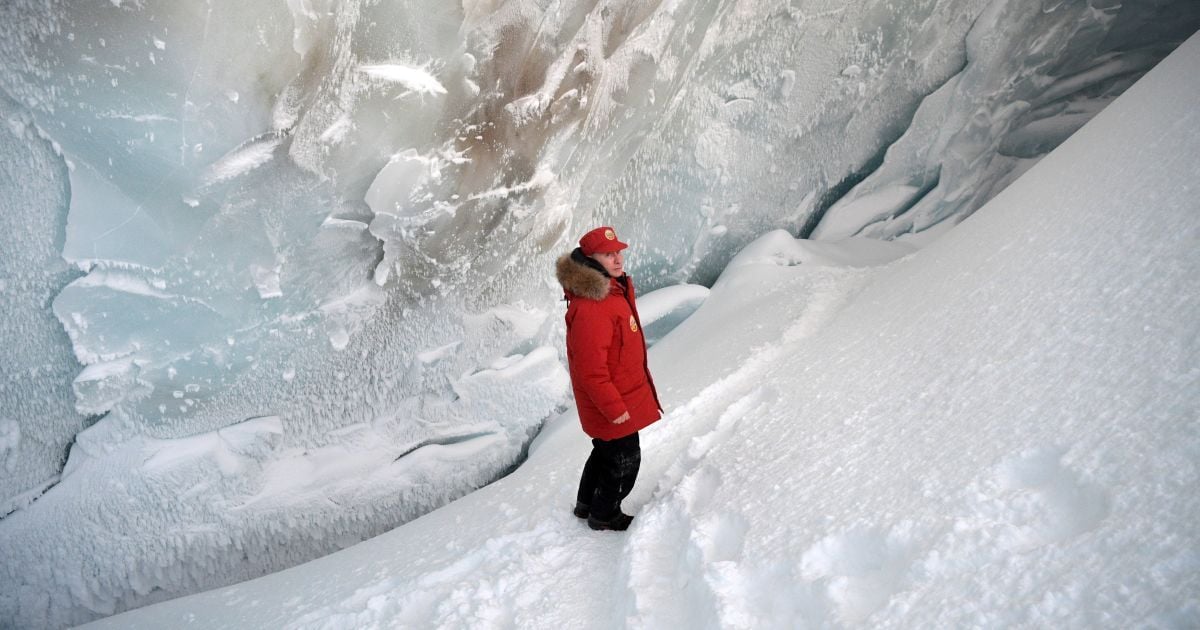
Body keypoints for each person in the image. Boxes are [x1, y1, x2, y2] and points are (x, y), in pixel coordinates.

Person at [555, 226, 663, 531]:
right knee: (624, 460)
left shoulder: (611, 291)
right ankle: (604, 515)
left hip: (619, 395)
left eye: (618, 252)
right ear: (590, 260)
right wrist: (614, 409)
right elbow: (591, 370)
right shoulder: (593, 306)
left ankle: (585, 505)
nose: (617, 259)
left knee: (604, 452)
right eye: (608, 255)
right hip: (611, 403)